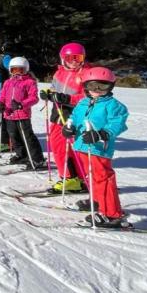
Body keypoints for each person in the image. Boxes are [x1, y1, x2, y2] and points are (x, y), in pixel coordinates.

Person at [62, 66, 129, 228]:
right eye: (92, 86)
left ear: (111, 86)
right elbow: (74, 117)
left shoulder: (114, 105)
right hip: (82, 146)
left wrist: (102, 134)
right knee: (91, 177)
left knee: (103, 179)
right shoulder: (83, 102)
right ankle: (97, 201)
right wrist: (69, 127)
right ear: (85, 86)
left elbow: (118, 123)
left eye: (102, 86)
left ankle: (112, 214)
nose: (97, 90)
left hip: (99, 148)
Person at [40, 42, 92, 192]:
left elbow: (89, 97)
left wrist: (68, 99)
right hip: (58, 114)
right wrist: (48, 94)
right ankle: (73, 177)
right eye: (70, 58)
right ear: (63, 58)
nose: (74, 61)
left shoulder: (86, 74)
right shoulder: (59, 73)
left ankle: (73, 178)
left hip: (75, 116)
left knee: (71, 148)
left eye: (78, 58)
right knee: (57, 146)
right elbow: (54, 89)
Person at [0, 57, 45, 170]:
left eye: (20, 70)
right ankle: (22, 155)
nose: (17, 72)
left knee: (27, 137)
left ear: (26, 70)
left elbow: (34, 98)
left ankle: (37, 159)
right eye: (14, 70)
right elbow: (2, 95)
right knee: (14, 137)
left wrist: (21, 104)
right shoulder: (8, 82)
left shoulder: (30, 82)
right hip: (9, 114)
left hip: (22, 115)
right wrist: (0, 103)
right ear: (10, 70)